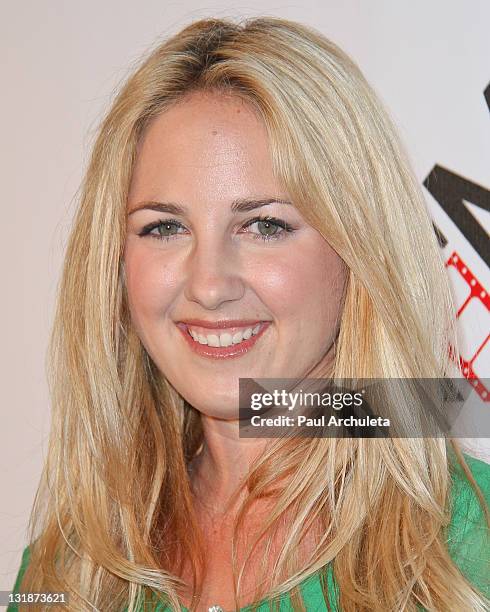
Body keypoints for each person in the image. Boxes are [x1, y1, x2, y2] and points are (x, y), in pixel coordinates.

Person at [9, 17, 489, 612]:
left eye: (264, 226)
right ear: (114, 258)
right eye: (164, 226)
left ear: (359, 250)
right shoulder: (66, 569)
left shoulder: (468, 552)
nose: (210, 285)